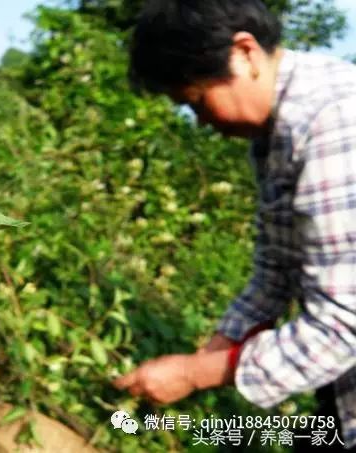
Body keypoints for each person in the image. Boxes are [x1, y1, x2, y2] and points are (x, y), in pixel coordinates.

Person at [111, 1, 356, 451]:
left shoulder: (334, 121)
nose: (202, 122)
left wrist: (192, 373)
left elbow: (344, 323)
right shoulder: (276, 134)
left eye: (197, 102)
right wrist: (212, 352)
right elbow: (276, 269)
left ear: (244, 52)